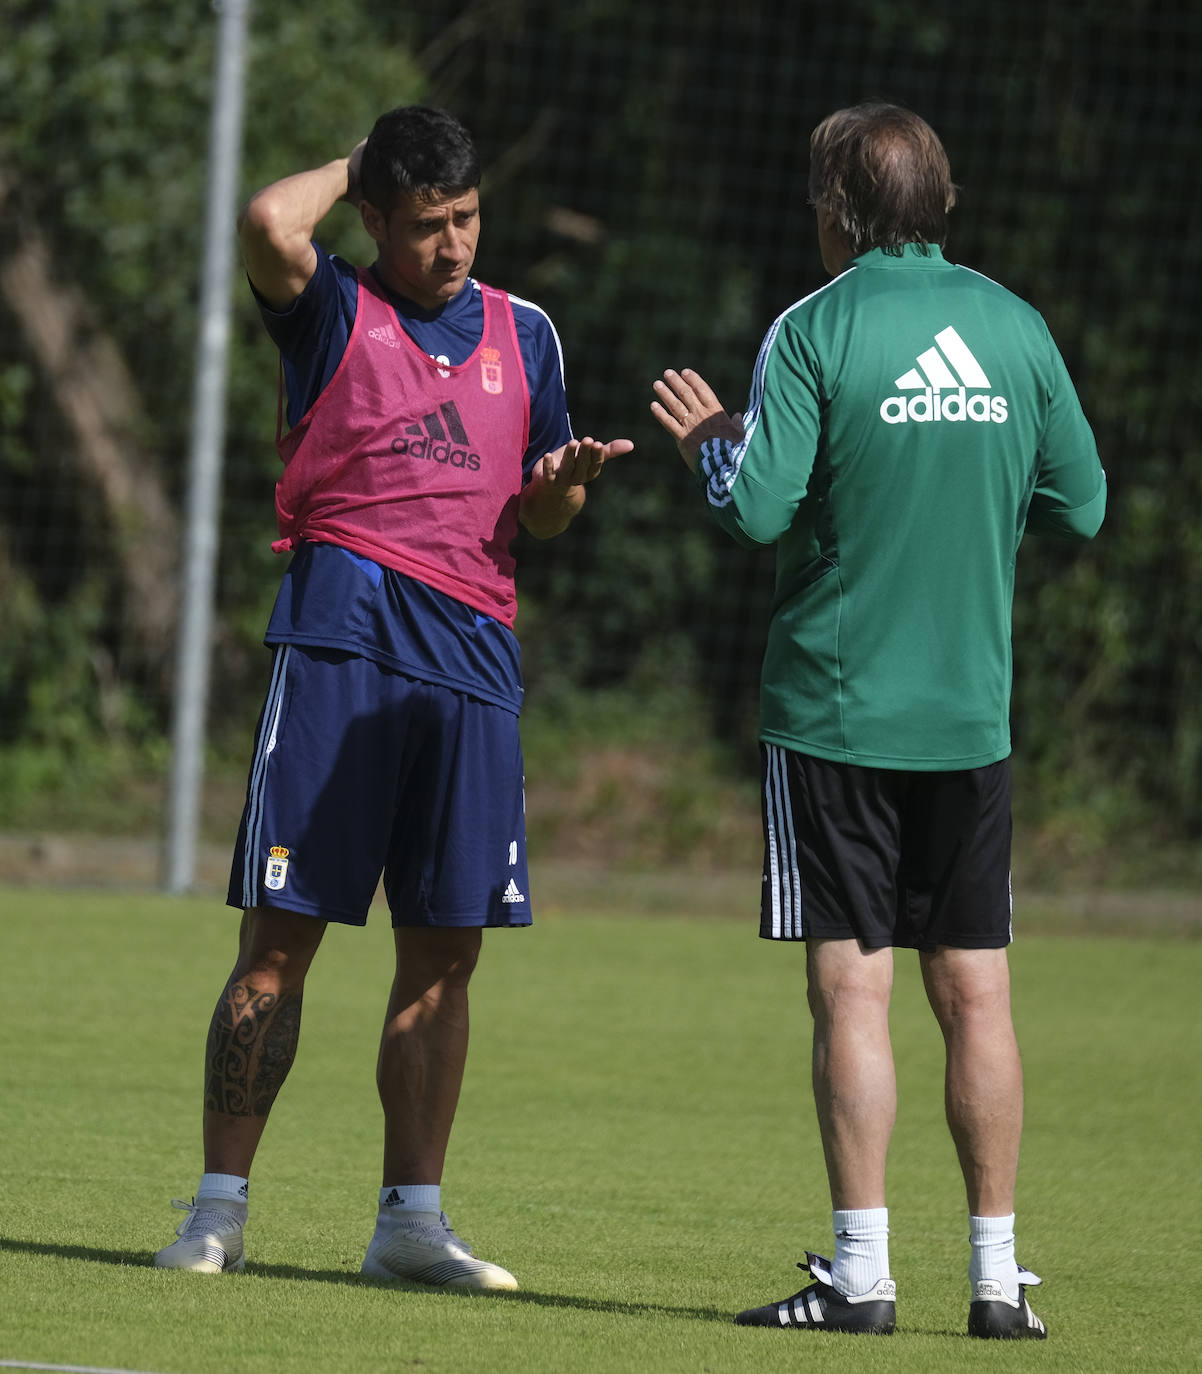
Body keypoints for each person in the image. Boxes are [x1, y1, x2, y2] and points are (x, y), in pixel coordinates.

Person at [154, 105, 631, 1290]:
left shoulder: (528, 333)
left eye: (466, 218)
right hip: (341, 645)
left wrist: (563, 491)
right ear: (373, 216)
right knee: (279, 947)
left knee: (444, 960)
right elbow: (270, 216)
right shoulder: (330, 310)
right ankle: (217, 1210)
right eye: (425, 226)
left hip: (473, 664)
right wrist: (360, 156)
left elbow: (545, 514)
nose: (453, 245)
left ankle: (409, 1224)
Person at [651, 102, 1104, 1339]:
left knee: (853, 995)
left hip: (836, 715)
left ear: (839, 211)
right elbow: (1085, 504)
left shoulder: (815, 328)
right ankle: (998, 1284)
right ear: (937, 201)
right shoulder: (1014, 330)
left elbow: (753, 510)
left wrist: (708, 444)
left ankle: (859, 1278)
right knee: (978, 995)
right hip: (969, 713)